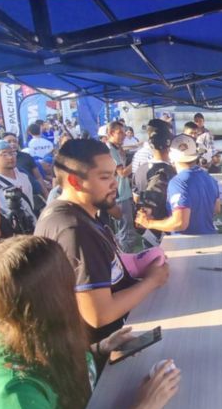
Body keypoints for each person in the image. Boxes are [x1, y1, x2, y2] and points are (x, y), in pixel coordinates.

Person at [0, 235, 180, 409]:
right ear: (51, 299)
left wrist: (99, 350)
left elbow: (48, 371)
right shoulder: (11, 389)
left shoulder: (26, 330)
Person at [34, 139, 169, 347]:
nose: (115, 183)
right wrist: (152, 280)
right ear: (76, 181)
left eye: (114, 174)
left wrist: (139, 262)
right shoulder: (74, 230)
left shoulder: (81, 213)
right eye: (105, 177)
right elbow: (99, 315)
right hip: (99, 355)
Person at [135, 134, 220, 235]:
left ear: (171, 156)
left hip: (187, 245)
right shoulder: (210, 178)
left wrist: (149, 223)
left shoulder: (177, 183)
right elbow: (216, 209)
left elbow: (180, 223)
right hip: (210, 237)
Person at [132, 120, 177, 238]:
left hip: (146, 230)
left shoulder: (141, 168)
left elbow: (136, 198)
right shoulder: (168, 171)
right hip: (162, 228)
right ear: (169, 146)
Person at [0, 140, 37, 232]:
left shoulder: (22, 173)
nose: (10, 157)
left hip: (33, 223)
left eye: (12, 153)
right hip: (10, 230)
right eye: (4, 154)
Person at [105, 121, 137, 253]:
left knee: (123, 229)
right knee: (126, 230)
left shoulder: (116, 148)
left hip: (122, 192)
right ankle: (127, 261)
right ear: (111, 133)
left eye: (124, 132)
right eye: (120, 132)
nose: (124, 135)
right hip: (120, 194)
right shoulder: (111, 150)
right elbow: (122, 173)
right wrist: (137, 160)